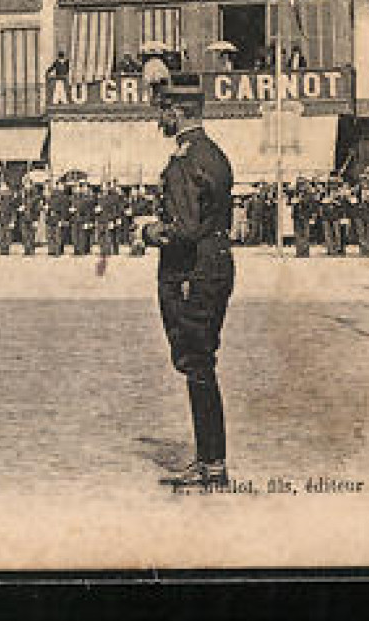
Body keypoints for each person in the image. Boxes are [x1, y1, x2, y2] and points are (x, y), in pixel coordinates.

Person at [139, 73, 236, 489]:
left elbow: (184, 228)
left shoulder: (184, 161)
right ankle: (212, 462)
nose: (159, 118)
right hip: (217, 264)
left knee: (196, 364)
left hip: (191, 271)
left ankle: (212, 464)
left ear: (177, 112)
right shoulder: (214, 153)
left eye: (162, 110)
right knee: (202, 364)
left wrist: (148, 232)